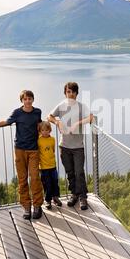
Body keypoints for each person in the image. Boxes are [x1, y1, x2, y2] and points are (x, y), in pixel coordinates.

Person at [0, 90, 43, 220]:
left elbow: (39, 125)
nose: (28, 101)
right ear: (22, 101)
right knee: (22, 179)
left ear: (33, 100)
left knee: (35, 178)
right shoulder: (17, 113)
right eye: (25, 99)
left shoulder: (37, 112)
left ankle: (37, 206)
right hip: (20, 150)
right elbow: (5, 122)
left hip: (34, 150)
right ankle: (26, 207)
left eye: (30, 99)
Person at [48, 82, 93, 210]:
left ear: (77, 93)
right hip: (64, 146)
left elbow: (91, 118)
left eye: (73, 92)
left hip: (78, 147)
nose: (71, 94)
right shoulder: (61, 105)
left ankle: (83, 197)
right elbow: (49, 116)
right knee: (70, 173)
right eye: (68, 91)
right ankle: (75, 194)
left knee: (79, 172)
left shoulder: (81, 107)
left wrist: (77, 123)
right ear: (65, 93)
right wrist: (57, 122)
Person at [38, 121, 62, 210]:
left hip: (52, 166)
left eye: (47, 130)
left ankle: (55, 197)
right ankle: (48, 200)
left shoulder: (52, 140)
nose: (45, 132)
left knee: (55, 182)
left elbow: (52, 150)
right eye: (43, 130)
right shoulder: (39, 141)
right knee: (47, 184)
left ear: (50, 130)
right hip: (44, 168)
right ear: (40, 131)